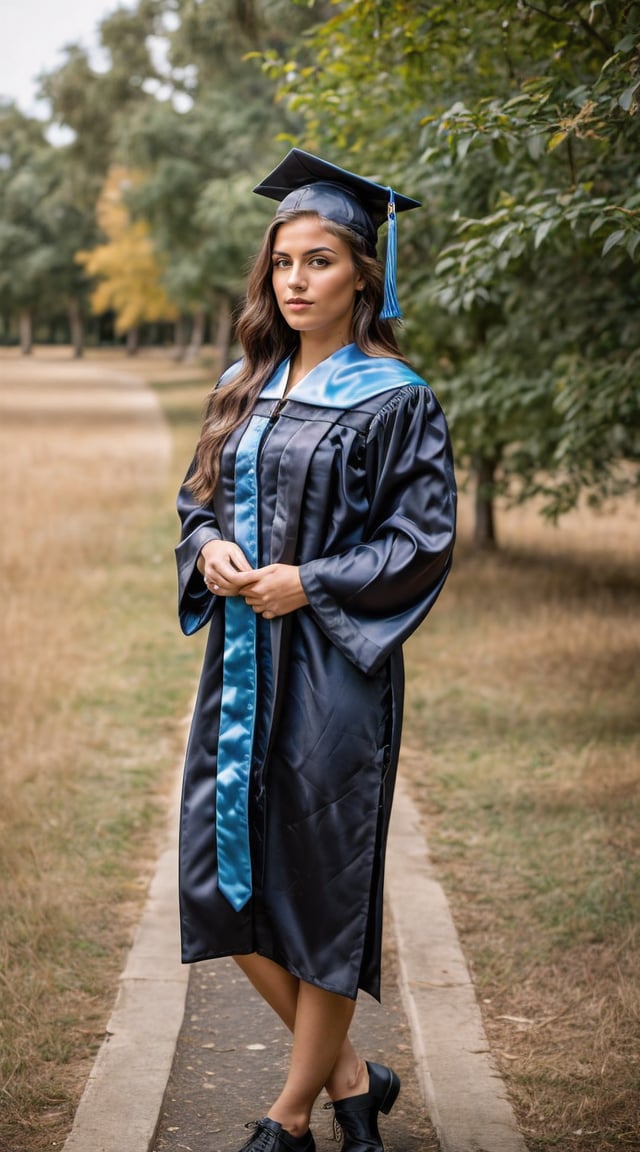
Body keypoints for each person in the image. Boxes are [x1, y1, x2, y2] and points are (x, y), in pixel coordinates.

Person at [175, 148, 457, 1152]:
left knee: (324, 881)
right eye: (283, 261)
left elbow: (420, 541)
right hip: (242, 666)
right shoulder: (241, 383)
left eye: (320, 261)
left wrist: (313, 582)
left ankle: (290, 1115)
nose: (296, 280)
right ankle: (350, 1077)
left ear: (363, 276)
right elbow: (197, 502)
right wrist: (209, 547)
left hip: (337, 671)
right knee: (215, 877)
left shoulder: (394, 396)